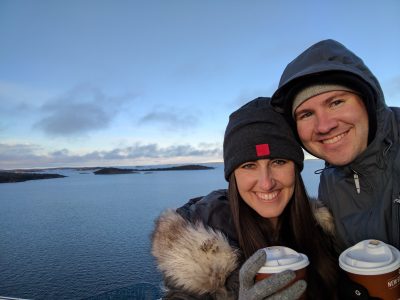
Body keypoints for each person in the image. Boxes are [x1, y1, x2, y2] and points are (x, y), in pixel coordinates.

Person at [151, 97, 340, 299]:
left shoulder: (321, 227)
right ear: (233, 176)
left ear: (295, 168)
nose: (266, 183)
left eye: (278, 161)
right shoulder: (200, 248)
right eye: (249, 166)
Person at [271, 39, 400, 251]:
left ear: (367, 101)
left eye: (336, 102)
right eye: (306, 114)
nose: (324, 126)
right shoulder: (330, 180)